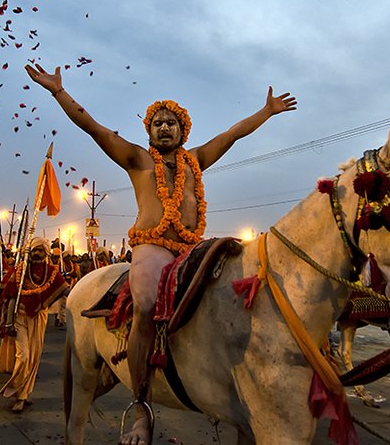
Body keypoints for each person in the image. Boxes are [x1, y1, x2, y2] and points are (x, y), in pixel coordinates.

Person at [25, 62, 298, 444]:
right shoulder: (137, 160)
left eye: (172, 122)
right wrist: (58, 91)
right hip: (151, 247)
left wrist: (266, 113)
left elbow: (232, 135)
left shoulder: (196, 162)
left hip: (191, 247)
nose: (164, 127)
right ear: (149, 131)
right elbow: (93, 127)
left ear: (183, 130)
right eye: (158, 122)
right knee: (147, 302)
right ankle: (141, 407)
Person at [0, 237, 67, 412]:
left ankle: (23, 394)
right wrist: (8, 323)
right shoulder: (20, 271)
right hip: (19, 318)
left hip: (39, 318)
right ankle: (16, 391)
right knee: (24, 356)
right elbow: (11, 296)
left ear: (46, 253)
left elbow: (65, 289)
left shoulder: (51, 272)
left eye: (40, 251)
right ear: (28, 252)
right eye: (34, 250)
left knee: (34, 358)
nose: (36, 254)